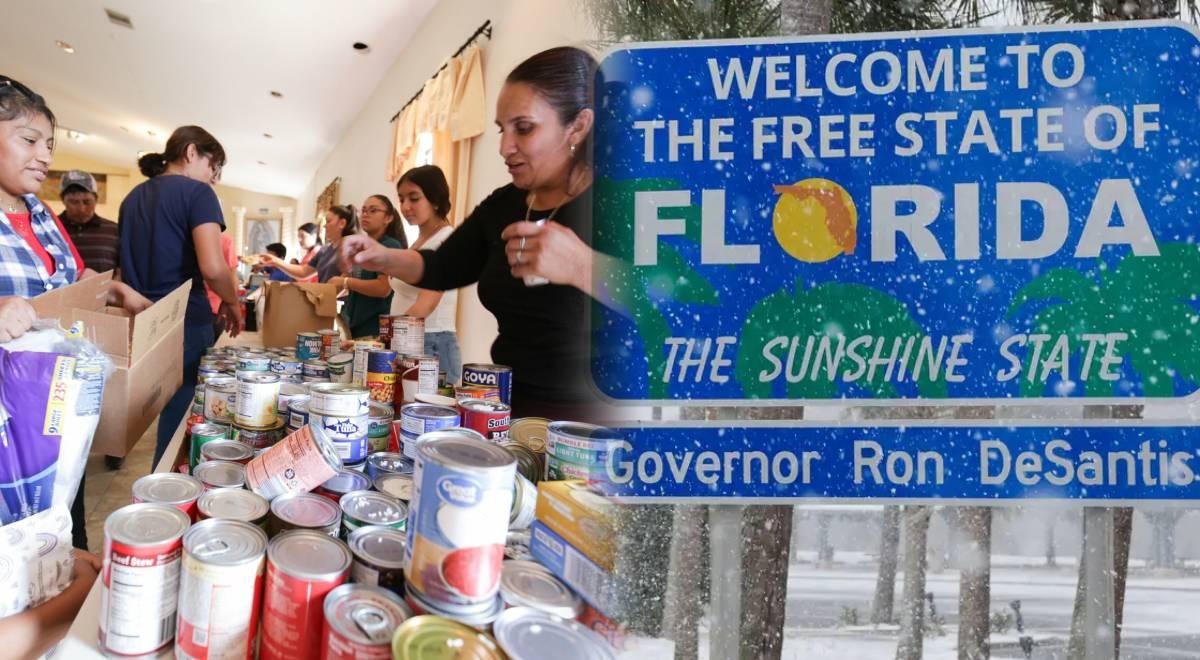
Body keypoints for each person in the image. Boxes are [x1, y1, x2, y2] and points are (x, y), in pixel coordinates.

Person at [343, 47, 606, 418]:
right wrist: (380, 255)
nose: (504, 147)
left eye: (524, 128)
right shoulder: (505, 204)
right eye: (502, 130)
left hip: (593, 422)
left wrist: (584, 267)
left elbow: (682, 303)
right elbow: (442, 267)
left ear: (578, 125)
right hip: (507, 405)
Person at [0, 73, 143, 658]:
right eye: (29, 139)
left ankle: (66, 616)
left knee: (59, 526)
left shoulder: (39, 212)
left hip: (56, 413)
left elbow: (70, 284)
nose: (44, 157)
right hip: (8, 429)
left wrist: (113, 292)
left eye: (50, 145)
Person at [118, 125, 242, 466]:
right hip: (185, 318)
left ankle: (161, 479)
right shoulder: (197, 194)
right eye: (213, 166)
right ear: (191, 153)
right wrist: (232, 302)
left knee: (160, 410)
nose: (213, 178)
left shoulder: (133, 198)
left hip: (143, 320)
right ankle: (169, 492)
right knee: (184, 415)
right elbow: (214, 268)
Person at [391, 165, 462, 384]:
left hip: (430, 342)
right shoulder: (419, 242)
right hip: (410, 340)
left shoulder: (446, 241)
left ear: (435, 200)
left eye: (414, 198)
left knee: (424, 416)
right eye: (401, 199)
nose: (405, 206)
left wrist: (385, 338)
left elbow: (426, 305)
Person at [330, 195, 406, 338]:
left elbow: (383, 288)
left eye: (373, 210)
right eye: (363, 210)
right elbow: (346, 278)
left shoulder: (390, 246)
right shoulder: (359, 246)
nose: (365, 214)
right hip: (353, 326)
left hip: (376, 329)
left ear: (388, 218)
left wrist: (345, 282)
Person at [259, 205, 355, 284]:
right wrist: (275, 261)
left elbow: (343, 283)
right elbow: (303, 272)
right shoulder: (324, 251)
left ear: (342, 223)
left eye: (329, 221)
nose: (325, 226)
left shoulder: (351, 250)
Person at [59, 170, 119, 275]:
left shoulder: (114, 230)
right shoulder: (50, 228)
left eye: (87, 202)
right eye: (73, 202)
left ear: (96, 199)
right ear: (62, 200)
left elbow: (120, 271)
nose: (81, 208)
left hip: (104, 290)